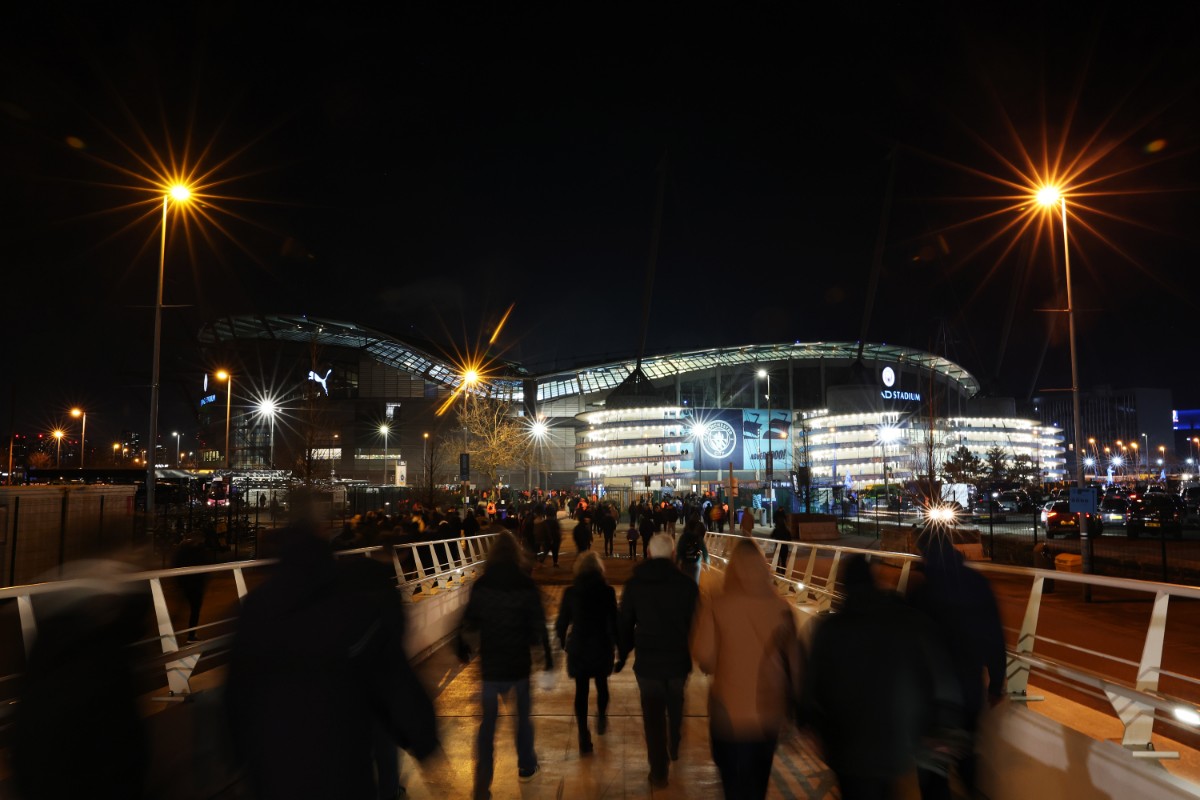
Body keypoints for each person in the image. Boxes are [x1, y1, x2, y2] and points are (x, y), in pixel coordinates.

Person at [227, 521, 440, 800]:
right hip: (340, 769)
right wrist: (423, 737)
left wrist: (237, 752)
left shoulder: (253, 610)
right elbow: (393, 681)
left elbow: (236, 692)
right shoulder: (351, 609)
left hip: (273, 771)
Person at [800, 555, 961, 800]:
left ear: (843, 587)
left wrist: (810, 723)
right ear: (874, 582)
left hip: (846, 749)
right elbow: (938, 673)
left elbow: (811, 687)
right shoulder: (904, 621)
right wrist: (943, 722)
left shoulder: (829, 629)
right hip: (895, 745)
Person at [693, 539, 803, 799]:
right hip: (768, 715)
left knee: (733, 787)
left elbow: (705, 658)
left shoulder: (718, 605)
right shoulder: (782, 609)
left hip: (728, 715)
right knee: (757, 787)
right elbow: (795, 666)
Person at [908, 532, 1007, 799]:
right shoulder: (978, 583)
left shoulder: (921, 591)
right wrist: (997, 684)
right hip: (969, 689)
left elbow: (910, 647)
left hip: (934, 697)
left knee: (932, 773)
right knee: (967, 756)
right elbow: (995, 637)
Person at [456, 532, 554, 798]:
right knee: (522, 719)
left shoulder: (482, 585)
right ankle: (526, 765)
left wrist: (462, 648)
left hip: (491, 665)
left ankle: (482, 784)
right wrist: (545, 660)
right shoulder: (525, 584)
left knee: (487, 726)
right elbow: (538, 627)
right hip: (518, 664)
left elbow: (468, 622)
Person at [618, 532, 700, 789]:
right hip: (677, 659)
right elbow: (695, 624)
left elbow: (624, 623)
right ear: (673, 555)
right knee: (676, 703)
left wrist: (623, 652)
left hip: (648, 662)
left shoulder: (635, 584)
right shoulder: (687, 585)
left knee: (652, 716)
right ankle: (674, 742)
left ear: (649, 553)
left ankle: (659, 771)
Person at [555, 551, 619, 754]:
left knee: (581, 691)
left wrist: (564, 641)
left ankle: (583, 733)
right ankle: (601, 716)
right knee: (602, 685)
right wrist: (618, 645)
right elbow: (615, 621)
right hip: (601, 645)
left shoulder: (571, 592)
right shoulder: (607, 592)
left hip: (579, 646)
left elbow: (562, 622)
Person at [675, 517, 709, 584]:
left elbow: (679, 550)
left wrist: (677, 562)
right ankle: (694, 592)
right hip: (696, 563)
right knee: (695, 583)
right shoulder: (698, 537)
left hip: (684, 563)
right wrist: (707, 562)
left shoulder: (683, 537)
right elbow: (704, 550)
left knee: (685, 581)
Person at [769, 510, 792, 576]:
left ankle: (777, 571)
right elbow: (790, 539)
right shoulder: (786, 530)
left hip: (778, 547)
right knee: (784, 561)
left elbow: (771, 536)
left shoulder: (776, 530)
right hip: (785, 547)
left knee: (777, 560)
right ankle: (783, 573)